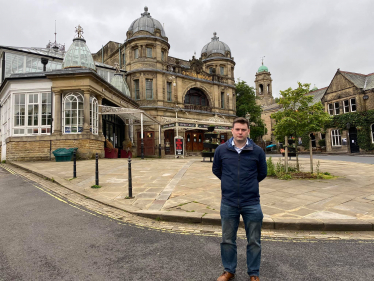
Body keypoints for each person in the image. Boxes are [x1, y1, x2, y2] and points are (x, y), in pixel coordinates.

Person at [213, 117, 267, 281]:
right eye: (237, 129)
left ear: (248, 131)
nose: (240, 132)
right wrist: (230, 183)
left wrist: (247, 184)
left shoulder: (257, 151)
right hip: (228, 202)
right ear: (232, 130)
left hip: (251, 202)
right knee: (228, 240)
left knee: (254, 241)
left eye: (243, 129)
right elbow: (217, 170)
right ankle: (229, 270)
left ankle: (254, 273)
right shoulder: (221, 150)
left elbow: (262, 173)